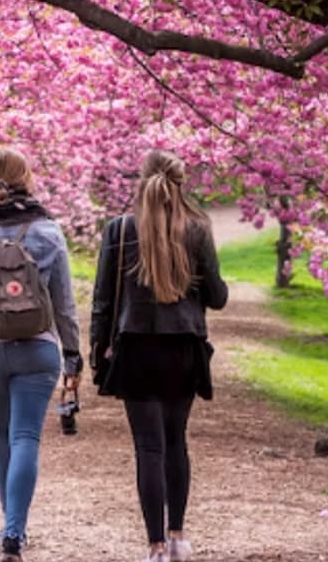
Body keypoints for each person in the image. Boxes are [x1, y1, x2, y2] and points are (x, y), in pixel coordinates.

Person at [90, 150, 228, 562]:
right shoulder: (197, 229)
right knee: (175, 441)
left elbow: (102, 302)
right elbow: (217, 298)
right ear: (179, 183)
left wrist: (96, 352)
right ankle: (178, 536)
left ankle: (154, 547)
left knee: (148, 447)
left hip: (136, 348)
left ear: (142, 181)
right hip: (183, 347)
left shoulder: (119, 231)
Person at [0, 146, 83, 562]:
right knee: (26, 436)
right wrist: (74, 355)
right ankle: (14, 533)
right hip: (39, 349)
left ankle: (11, 527)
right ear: (26, 177)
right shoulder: (48, 231)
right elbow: (64, 303)